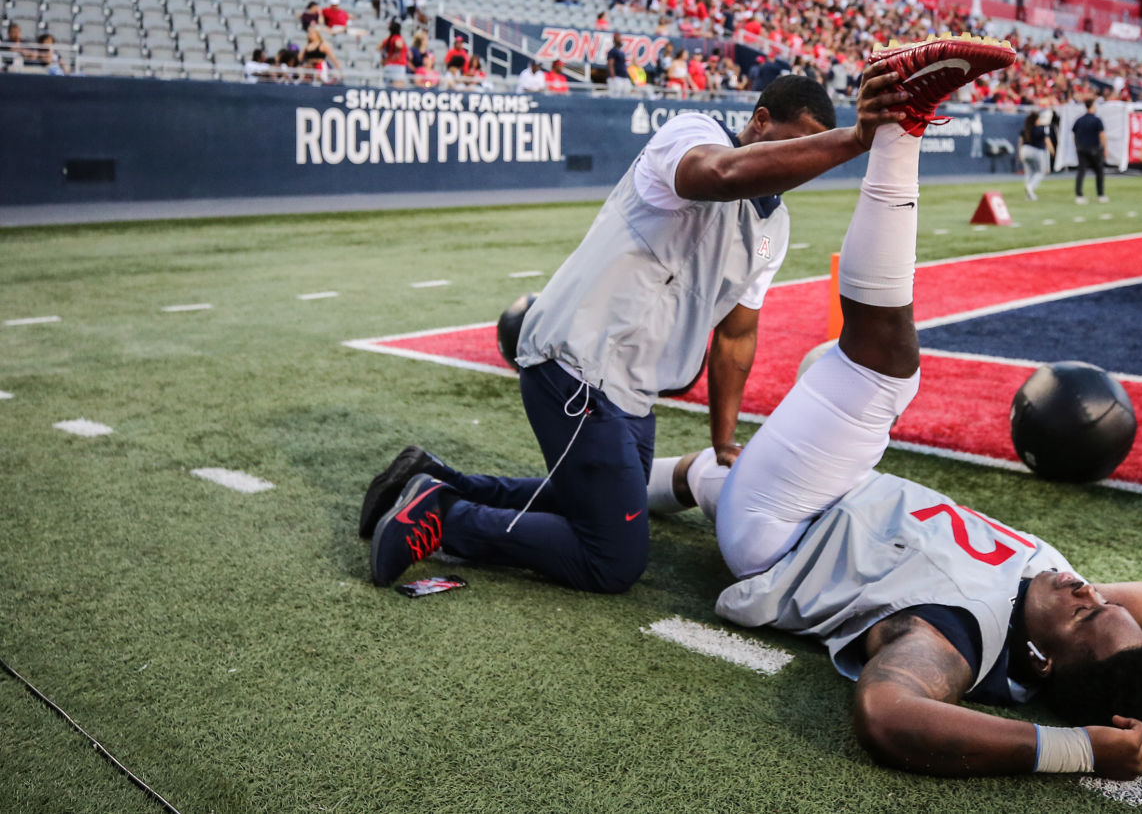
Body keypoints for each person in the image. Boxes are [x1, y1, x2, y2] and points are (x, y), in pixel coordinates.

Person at [648, 100, 1142, 779]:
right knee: (788, 404)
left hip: (783, 528)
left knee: (880, 372)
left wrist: (1076, 749)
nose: (1093, 593)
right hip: (840, 495)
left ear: (1039, 661)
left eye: (1090, 615)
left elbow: (888, 715)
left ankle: (900, 132)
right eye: (1106, 600)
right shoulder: (1065, 598)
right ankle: (611, 487)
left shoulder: (954, 637)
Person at [362, 37, 1017, 596]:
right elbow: (723, 174)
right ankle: (445, 517)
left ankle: (435, 478)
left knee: (593, 503)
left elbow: (736, 335)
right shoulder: (693, 134)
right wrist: (855, 139)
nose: (801, 168)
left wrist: (725, 438)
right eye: (798, 145)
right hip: (577, 368)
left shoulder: (774, 226)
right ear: (759, 121)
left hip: (630, 390)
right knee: (612, 559)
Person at [1071, 98, 1108, 205]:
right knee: (1099, 172)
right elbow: (1102, 135)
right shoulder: (1097, 120)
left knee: (1081, 172)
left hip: (1081, 148)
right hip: (1094, 149)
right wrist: (1105, 148)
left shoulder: (1079, 120)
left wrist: (1077, 145)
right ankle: (1100, 194)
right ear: (1092, 106)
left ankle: (1079, 195)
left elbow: (1074, 134)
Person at [1018, 108, 1055, 202]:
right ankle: (1030, 187)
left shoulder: (1025, 129)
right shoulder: (1041, 129)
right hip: (1036, 151)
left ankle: (1028, 195)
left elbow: (1020, 143)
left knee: (1029, 173)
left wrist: (1019, 154)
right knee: (1040, 172)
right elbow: (1047, 141)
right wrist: (1052, 151)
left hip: (1024, 151)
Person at [379, 20, 408, 87]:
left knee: (388, 88)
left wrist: (386, 58)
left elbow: (380, 48)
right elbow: (399, 45)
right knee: (397, 90)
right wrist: (396, 54)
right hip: (398, 66)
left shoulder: (388, 39)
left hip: (388, 66)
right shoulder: (398, 38)